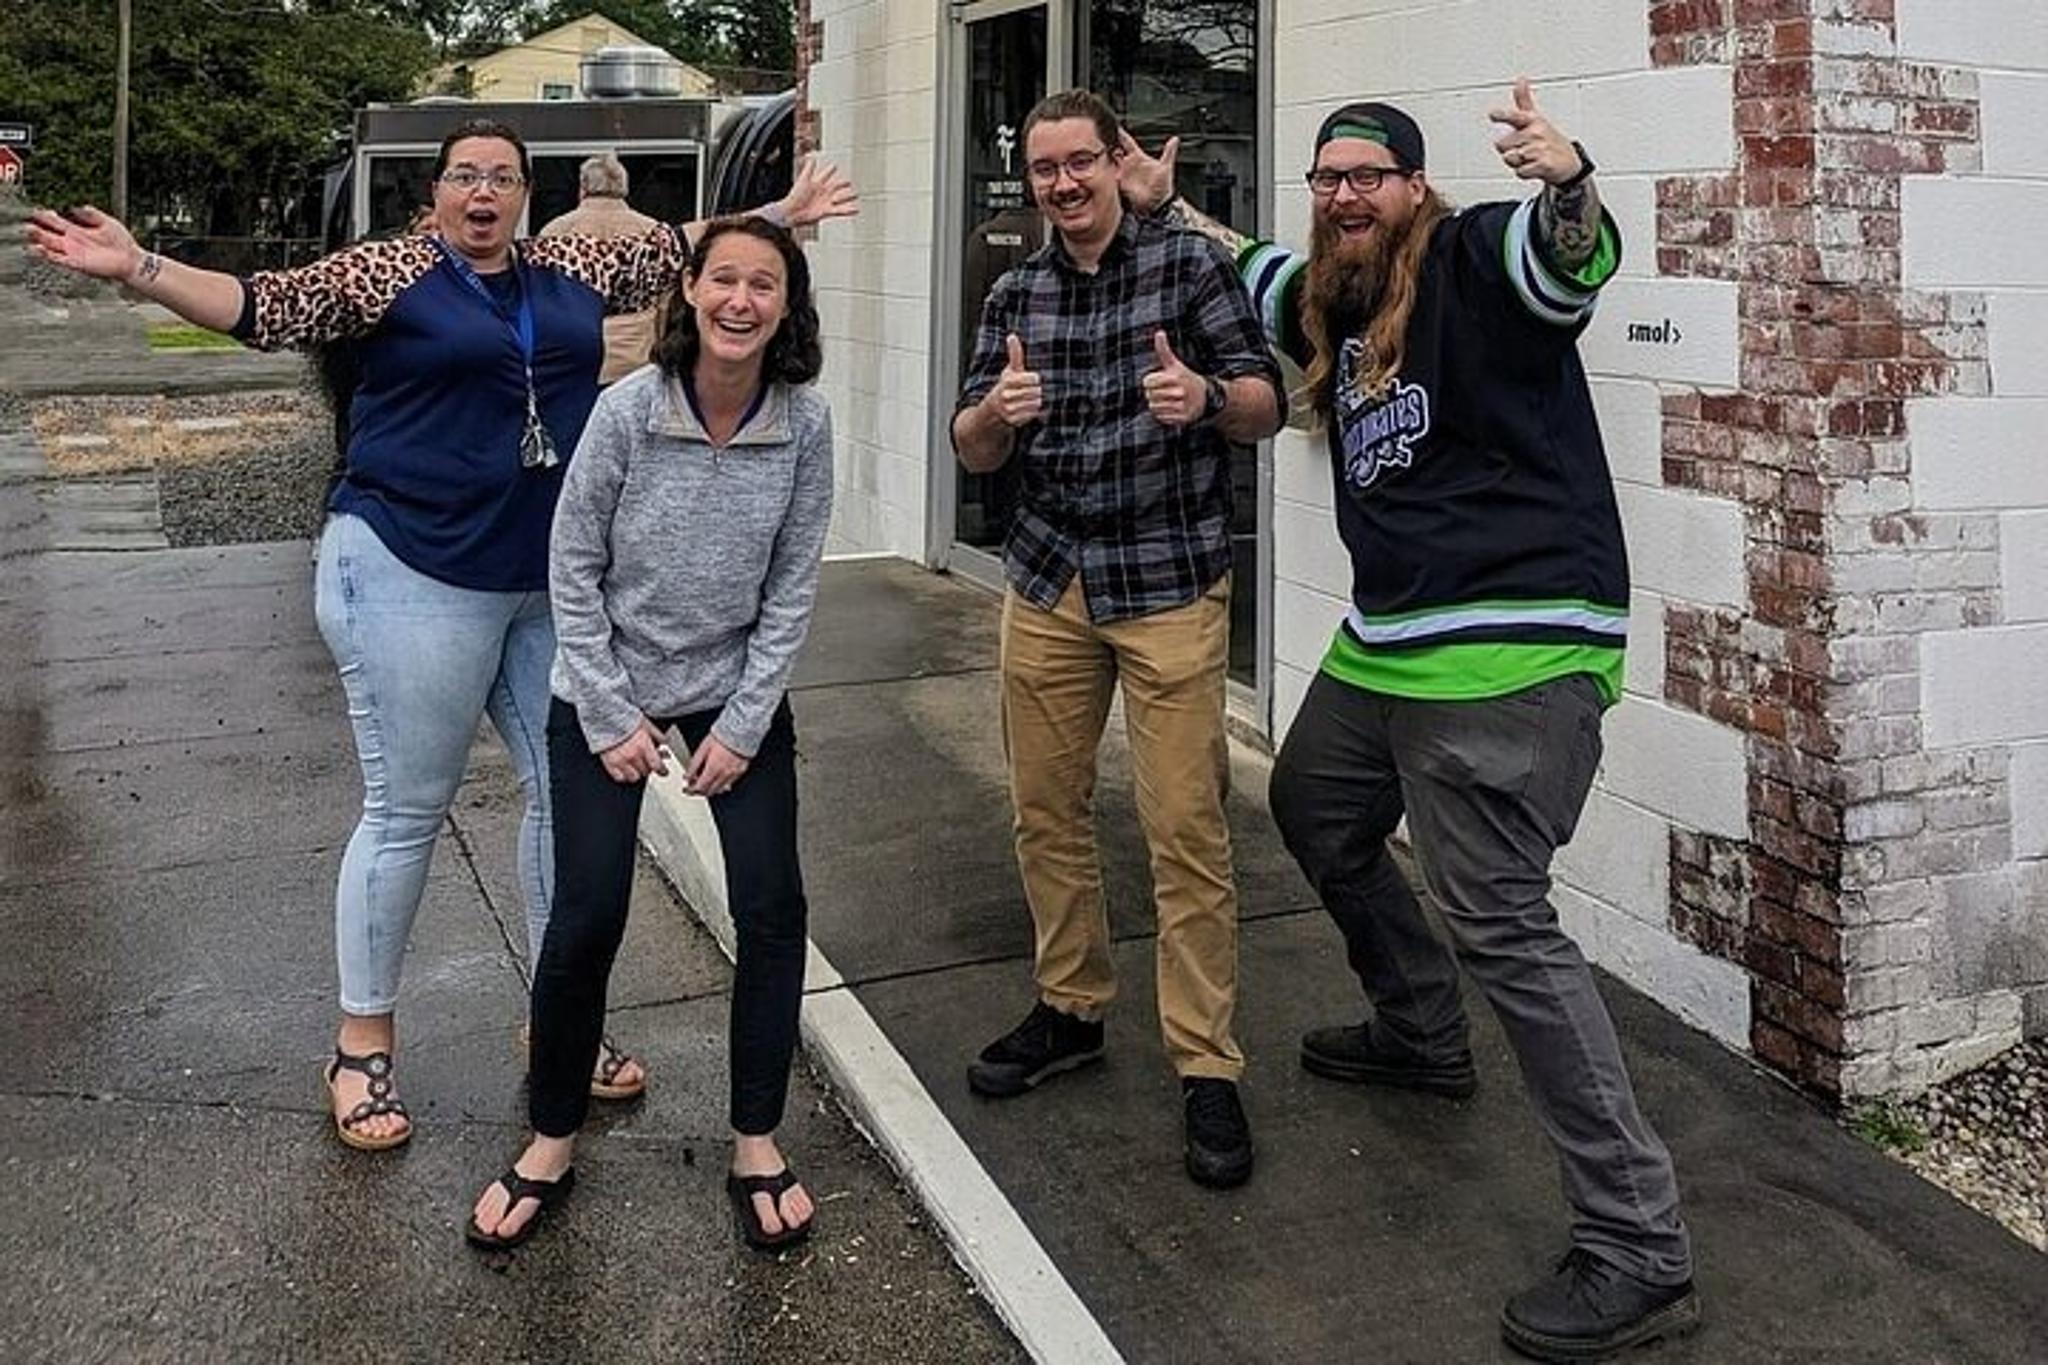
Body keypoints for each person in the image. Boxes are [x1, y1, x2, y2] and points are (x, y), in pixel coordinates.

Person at [25, 119, 857, 1157]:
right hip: (411, 567)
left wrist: (784, 213)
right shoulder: (390, 272)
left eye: (503, 178)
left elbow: (678, 249)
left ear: (525, 195)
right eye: (465, 175)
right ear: (436, 192)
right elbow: (265, 306)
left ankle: (560, 1024)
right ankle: (362, 1043)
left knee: (570, 797)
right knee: (409, 807)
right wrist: (140, 265)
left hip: (537, 583)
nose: (483, 193)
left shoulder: (564, 266)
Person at [1118, 83, 1700, 1357]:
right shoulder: (1333, 292)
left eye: (1366, 176)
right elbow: (1259, 266)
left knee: (1497, 910)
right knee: (1312, 803)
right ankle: (1419, 1028)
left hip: (1512, 646)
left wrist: (1567, 179)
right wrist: (1177, 211)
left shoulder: (1475, 255)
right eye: (1326, 177)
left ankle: (1637, 1243)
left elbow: (1566, 260)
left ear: (1413, 187)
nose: (1343, 194)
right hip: (1390, 648)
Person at [466, 216, 833, 1252]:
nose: (739, 302)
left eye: (763, 286)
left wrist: (746, 724)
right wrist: (611, 711)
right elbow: (569, 567)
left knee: (771, 906)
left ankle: (755, 1139)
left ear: (785, 308)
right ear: (690, 287)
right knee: (586, 910)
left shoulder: (804, 425)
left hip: (730, 683)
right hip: (609, 677)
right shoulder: (629, 410)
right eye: (723, 279)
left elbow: (791, 590)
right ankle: (549, 1138)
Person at [950, 89, 1283, 1189]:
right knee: (1044, 813)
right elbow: (971, 445)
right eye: (1042, 168)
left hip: (1169, 585)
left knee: (1183, 829)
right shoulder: (1013, 287)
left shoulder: (1186, 267)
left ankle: (1204, 1064)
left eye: (1078, 163)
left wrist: (1205, 396)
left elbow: (1264, 401)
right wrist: (996, 415)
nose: (1061, 184)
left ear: (1112, 163)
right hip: (1048, 583)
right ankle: (1069, 1007)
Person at [537, 152, 661, 383]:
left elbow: (543, 298)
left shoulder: (556, 231)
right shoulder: (652, 231)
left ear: (582, 187)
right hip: (638, 358)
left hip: (574, 354)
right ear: (624, 188)